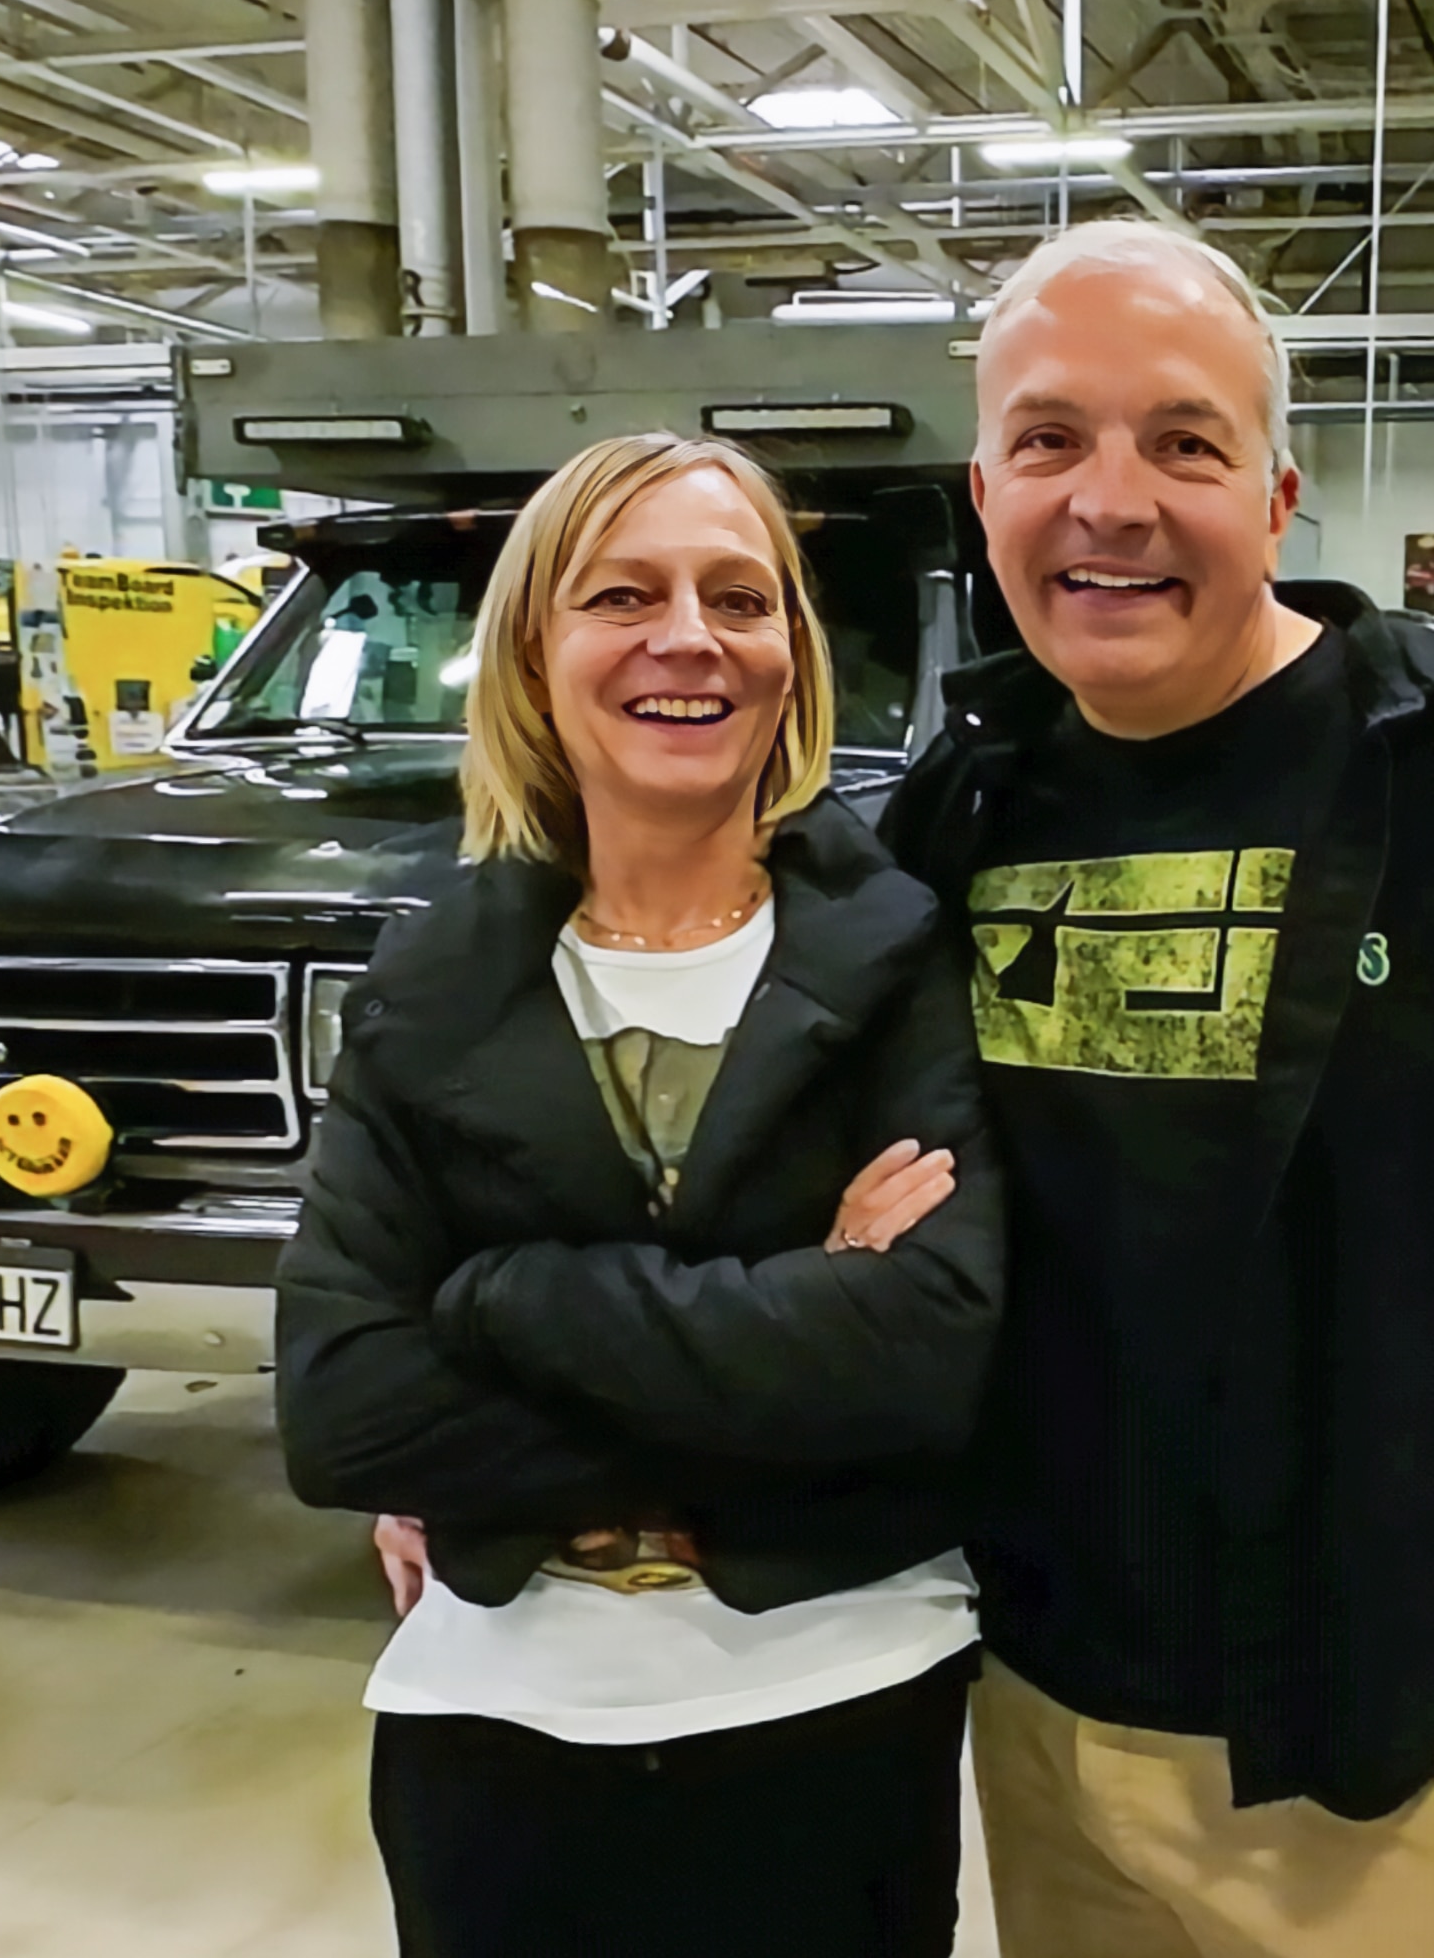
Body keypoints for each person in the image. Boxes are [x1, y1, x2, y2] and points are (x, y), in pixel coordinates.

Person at [881, 220, 1434, 1956]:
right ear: (986, 496)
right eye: (1049, 439)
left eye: (1181, 441)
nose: (1109, 499)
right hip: (1037, 1711)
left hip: (1374, 1761)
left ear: (1275, 500)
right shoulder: (967, 801)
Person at [277, 431, 1004, 1958]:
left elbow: (927, 1354)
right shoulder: (429, 986)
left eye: (739, 599)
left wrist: (499, 1298)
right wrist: (795, 1313)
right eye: (624, 595)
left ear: (793, 659)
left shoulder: (903, 957)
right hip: (495, 1712)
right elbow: (346, 1409)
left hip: (834, 1694)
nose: (688, 638)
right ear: (537, 653)